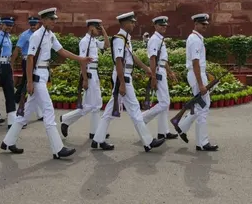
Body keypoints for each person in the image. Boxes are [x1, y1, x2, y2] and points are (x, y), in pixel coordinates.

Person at [1, 7, 89, 158]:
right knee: (48, 111)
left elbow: (61, 51)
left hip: (43, 74)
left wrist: (80, 59)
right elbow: (29, 58)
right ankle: (58, 149)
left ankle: (8, 142)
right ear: (44, 20)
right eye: (51, 19)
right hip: (36, 77)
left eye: (55, 19)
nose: (54, 21)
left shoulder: (50, 35)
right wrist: (29, 81)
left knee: (25, 114)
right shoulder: (37, 36)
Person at [91, 12, 163, 152]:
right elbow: (118, 61)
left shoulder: (125, 39)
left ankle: (97, 140)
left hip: (124, 76)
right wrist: (122, 83)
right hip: (122, 77)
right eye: (132, 22)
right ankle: (148, 141)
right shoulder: (119, 39)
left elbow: (132, 56)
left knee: (110, 110)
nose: (134, 24)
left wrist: (145, 68)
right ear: (124, 23)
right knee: (135, 109)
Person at [171, 13, 219, 151]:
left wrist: (205, 74)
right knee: (203, 107)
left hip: (197, 73)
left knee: (200, 107)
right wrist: (201, 84)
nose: (205, 26)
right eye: (202, 24)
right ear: (196, 24)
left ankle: (185, 128)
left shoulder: (196, 39)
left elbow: (199, 64)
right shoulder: (195, 40)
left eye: (206, 24)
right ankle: (202, 143)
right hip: (196, 74)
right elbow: (195, 62)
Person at [61, 19, 109, 139]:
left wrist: (104, 32)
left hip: (95, 73)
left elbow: (107, 45)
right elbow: (82, 61)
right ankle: (66, 120)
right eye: (97, 28)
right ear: (90, 27)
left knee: (96, 104)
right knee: (90, 105)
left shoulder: (94, 40)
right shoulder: (85, 41)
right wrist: (85, 79)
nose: (98, 30)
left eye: (99, 28)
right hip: (89, 73)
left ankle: (94, 132)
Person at [141, 16, 178, 140]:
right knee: (164, 102)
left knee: (165, 102)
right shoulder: (154, 40)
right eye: (161, 25)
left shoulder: (160, 39)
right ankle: (143, 118)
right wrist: (153, 76)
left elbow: (163, 59)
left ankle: (163, 132)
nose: (164, 27)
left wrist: (170, 72)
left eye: (165, 25)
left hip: (161, 70)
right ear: (155, 26)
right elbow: (153, 59)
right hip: (157, 71)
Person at [0, 17, 18, 128]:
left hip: (7, 66)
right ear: (2, 25)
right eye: (6, 25)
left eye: (10, 26)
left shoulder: (8, 38)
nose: (8, 28)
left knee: (10, 93)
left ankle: (11, 120)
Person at [11, 16, 40, 123]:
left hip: (37, 61)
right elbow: (17, 49)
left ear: (38, 24)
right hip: (27, 61)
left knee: (35, 84)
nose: (33, 26)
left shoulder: (40, 34)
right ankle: (17, 101)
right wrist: (11, 64)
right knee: (26, 83)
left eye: (35, 24)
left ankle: (39, 112)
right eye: (31, 24)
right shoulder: (25, 35)